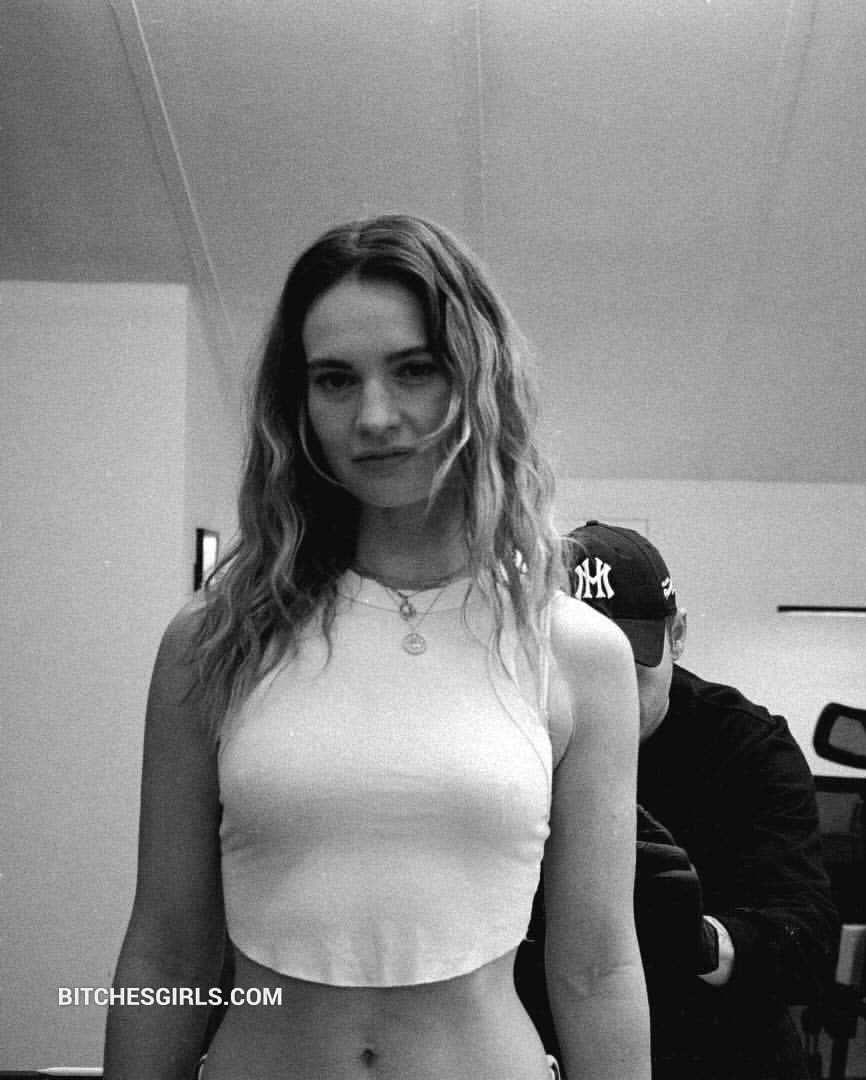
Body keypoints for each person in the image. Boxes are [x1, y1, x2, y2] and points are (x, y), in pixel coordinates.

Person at [103, 215, 650, 1080]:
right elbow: (168, 953)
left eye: (414, 369)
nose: (375, 416)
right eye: (335, 380)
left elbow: (597, 969)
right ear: (298, 404)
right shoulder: (213, 639)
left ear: (477, 379)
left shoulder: (579, 654)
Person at [556, 521, 838, 1079]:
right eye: (576, 672)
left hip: (717, 1047)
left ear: (677, 635)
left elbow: (808, 942)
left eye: (629, 670)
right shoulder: (507, 748)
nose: (605, 699)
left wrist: (703, 941)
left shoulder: (747, 746)